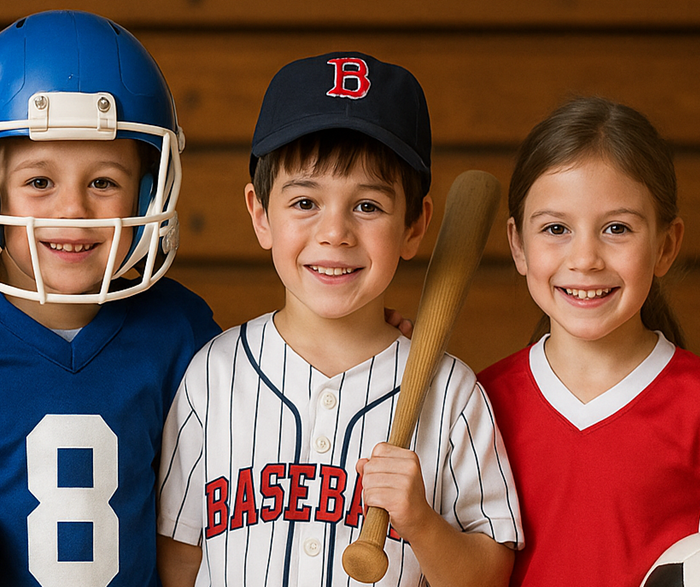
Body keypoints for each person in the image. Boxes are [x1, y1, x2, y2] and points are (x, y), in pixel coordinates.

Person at [0, 11, 221, 587]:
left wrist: (366, 335)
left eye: (103, 182)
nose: (71, 210)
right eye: (39, 182)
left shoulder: (179, 331)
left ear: (149, 191)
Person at [156, 52, 522, 587]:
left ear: (415, 226)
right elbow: (180, 558)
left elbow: (490, 575)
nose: (336, 232)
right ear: (261, 215)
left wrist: (420, 522)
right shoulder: (213, 373)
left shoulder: (452, 393)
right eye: (305, 201)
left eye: (368, 206)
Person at [478, 96, 700, 586]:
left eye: (617, 228)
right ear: (518, 244)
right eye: (556, 228)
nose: (585, 259)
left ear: (665, 245)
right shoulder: (478, 401)